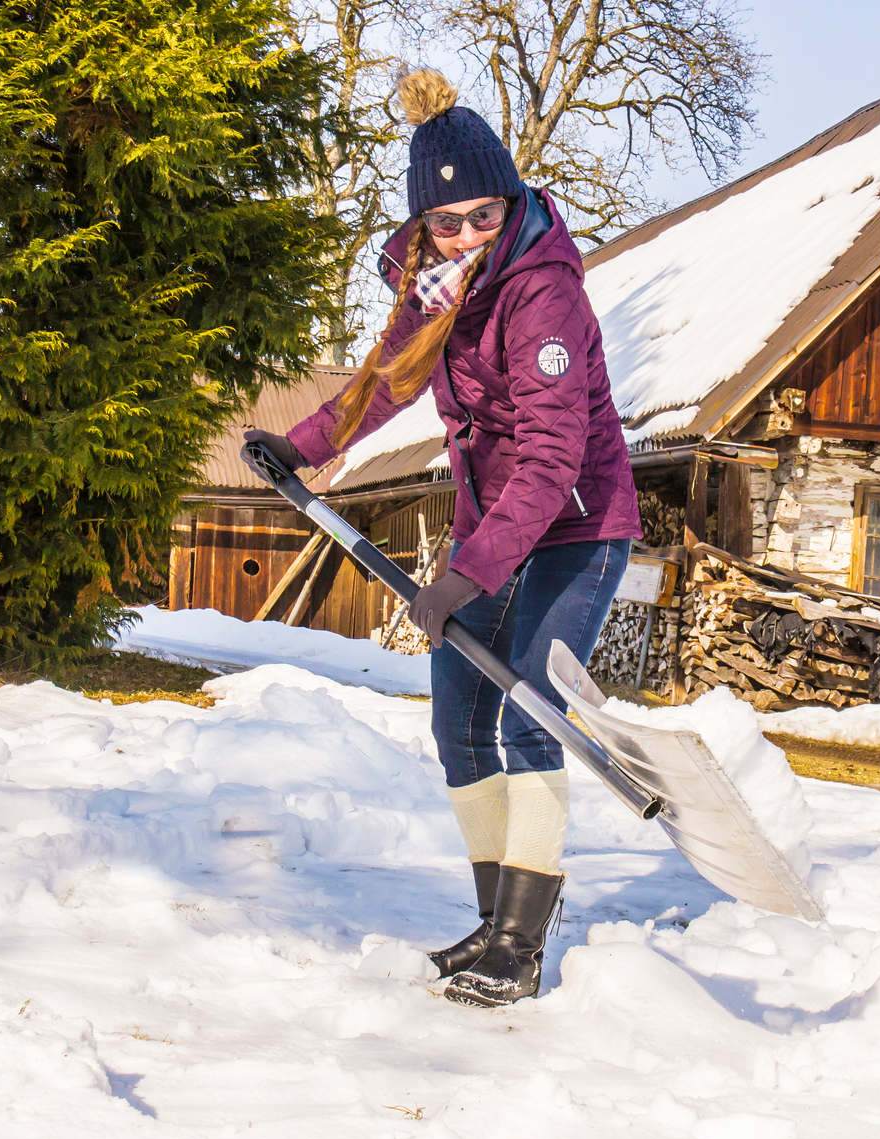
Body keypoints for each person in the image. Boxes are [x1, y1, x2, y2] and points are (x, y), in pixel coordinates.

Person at [244, 69, 641, 1008]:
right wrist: (296, 449)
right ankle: (493, 925)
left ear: (508, 207)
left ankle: (524, 946)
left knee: (533, 713)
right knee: (459, 722)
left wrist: (464, 576)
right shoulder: (437, 290)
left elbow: (551, 461)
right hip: (492, 531)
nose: (466, 235)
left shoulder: (542, 295)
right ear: (423, 226)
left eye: (482, 216)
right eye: (447, 221)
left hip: (575, 531)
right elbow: (386, 380)